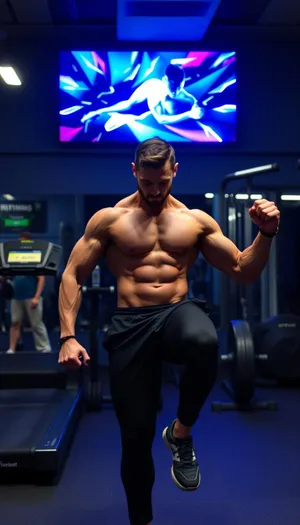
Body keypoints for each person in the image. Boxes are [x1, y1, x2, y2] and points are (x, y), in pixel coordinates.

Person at [58, 137, 280, 525]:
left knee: (203, 338)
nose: (156, 191)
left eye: (163, 182)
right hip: (131, 323)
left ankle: (181, 433)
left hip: (176, 312)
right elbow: (73, 274)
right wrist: (68, 335)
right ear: (134, 173)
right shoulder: (109, 219)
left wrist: (266, 234)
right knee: (136, 439)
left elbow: (244, 270)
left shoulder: (195, 221)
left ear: (175, 171)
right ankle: (141, 519)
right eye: (147, 183)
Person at [81, 64, 203, 131]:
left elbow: (189, 97)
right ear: (164, 80)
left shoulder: (178, 89)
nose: (176, 91)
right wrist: (98, 111)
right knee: (106, 128)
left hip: (142, 118)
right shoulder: (155, 90)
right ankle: (94, 111)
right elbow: (161, 119)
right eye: (172, 86)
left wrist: (197, 105)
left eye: (180, 86)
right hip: (127, 114)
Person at [7, 232, 52, 354]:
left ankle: (44, 347)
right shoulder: (15, 258)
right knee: (15, 323)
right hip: (17, 296)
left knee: (36, 323)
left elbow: (42, 279)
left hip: (31, 296)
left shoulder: (35, 258)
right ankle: (11, 348)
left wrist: (36, 297)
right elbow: (10, 275)